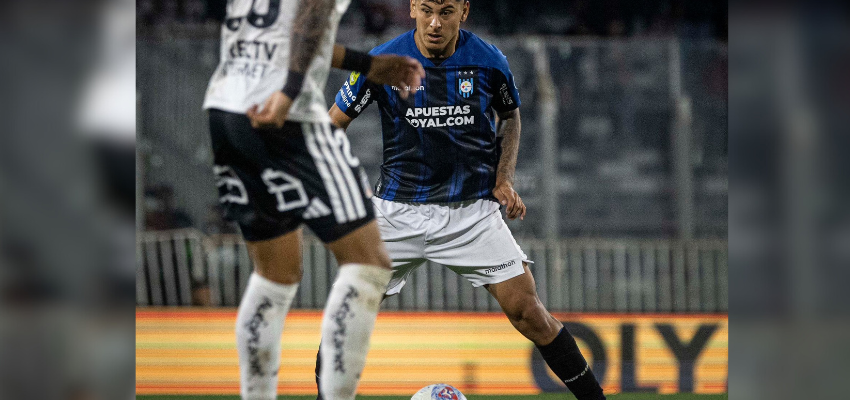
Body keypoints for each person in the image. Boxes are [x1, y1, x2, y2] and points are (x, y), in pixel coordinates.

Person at [315, 1, 607, 399]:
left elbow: (510, 116)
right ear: (413, 8)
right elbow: (331, 125)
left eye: (447, 11)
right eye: (427, 10)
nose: (435, 23)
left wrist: (503, 178)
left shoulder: (488, 61)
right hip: (397, 213)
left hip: (471, 213)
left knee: (529, 313)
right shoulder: (383, 62)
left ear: (464, 11)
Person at [201, 0, 426, 399]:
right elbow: (311, 15)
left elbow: (287, 34)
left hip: (227, 108)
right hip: (287, 114)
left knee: (275, 275)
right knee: (369, 263)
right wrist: (289, 92)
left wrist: (369, 65)